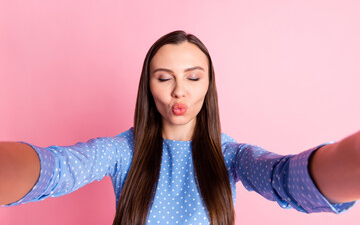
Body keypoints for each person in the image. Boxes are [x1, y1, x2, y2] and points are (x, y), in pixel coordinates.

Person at [0, 30, 359, 225]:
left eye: (193, 77)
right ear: (148, 86)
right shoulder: (120, 151)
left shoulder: (230, 156)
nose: (179, 90)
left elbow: (283, 177)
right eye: (164, 77)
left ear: (208, 85)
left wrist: (351, 160)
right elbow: (59, 168)